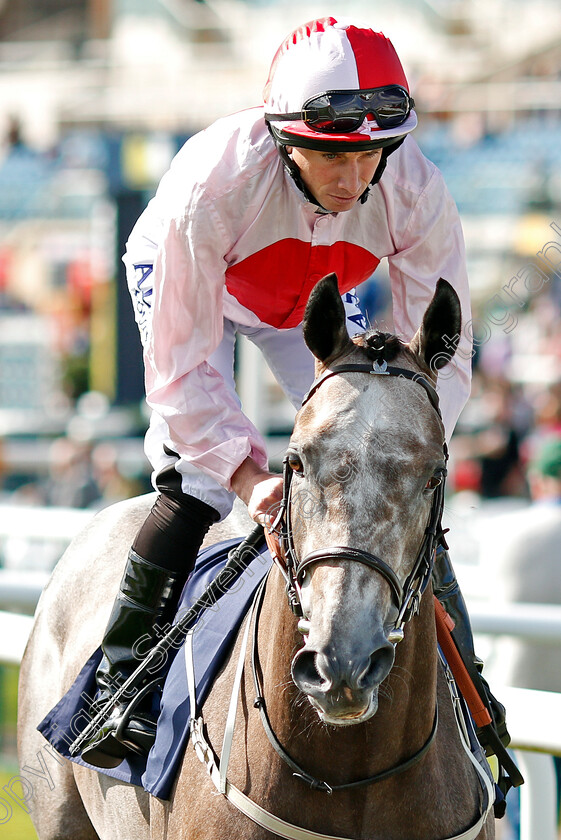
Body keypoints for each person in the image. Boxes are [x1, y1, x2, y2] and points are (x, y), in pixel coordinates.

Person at [80, 16, 490, 768]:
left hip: (309, 303)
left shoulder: (413, 186)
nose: (353, 179)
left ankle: (473, 702)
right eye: (331, 155)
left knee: (388, 466)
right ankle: (120, 687)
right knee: (197, 477)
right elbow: (179, 370)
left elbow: (443, 350)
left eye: (369, 155)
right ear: (281, 137)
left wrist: (404, 436)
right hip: (200, 286)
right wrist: (247, 478)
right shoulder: (213, 183)